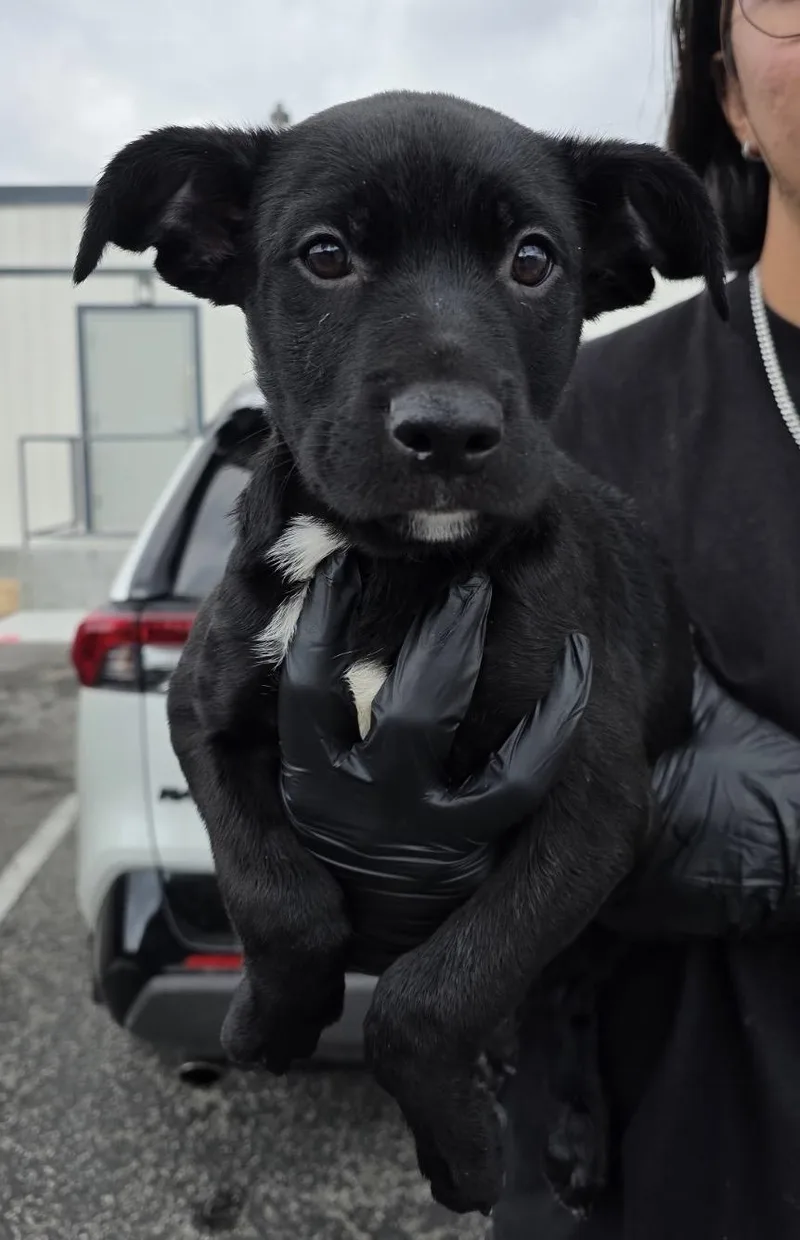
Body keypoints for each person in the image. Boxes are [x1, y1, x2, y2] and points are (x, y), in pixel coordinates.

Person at [276, 0, 800, 1235]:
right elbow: (403, 830)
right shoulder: (543, 423)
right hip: (639, 1179)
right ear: (725, 92)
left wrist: (740, 822)